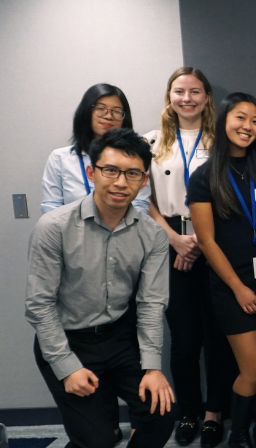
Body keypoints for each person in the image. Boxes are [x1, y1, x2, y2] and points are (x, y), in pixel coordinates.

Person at [26, 128, 175, 448]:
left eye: (133, 173)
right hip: (67, 339)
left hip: (119, 338)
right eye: (111, 170)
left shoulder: (153, 235)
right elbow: (39, 305)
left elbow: (151, 303)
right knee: (96, 440)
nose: (121, 182)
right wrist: (66, 368)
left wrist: (151, 367)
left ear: (144, 180)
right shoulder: (54, 227)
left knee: (161, 412)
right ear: (92, 172)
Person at [143, 67, 237, 447]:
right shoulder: (150, 142)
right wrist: (175, 240)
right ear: (169, 96)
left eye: (195, 92)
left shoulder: (221, 142)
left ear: (207, 97)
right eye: (179, 91)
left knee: (218, 335)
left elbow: (227, 193)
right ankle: (188, 411)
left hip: (213, 240)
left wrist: (198, 240)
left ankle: (214, 412)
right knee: (183, 340)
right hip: (168, 244)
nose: (187, 98)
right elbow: (143, 200)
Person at [188, 93, 256, 448]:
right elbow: (207, 241)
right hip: (232, 289)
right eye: (240, 118)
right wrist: (239, 289)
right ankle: (239, 437)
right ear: (224, 120)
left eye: (254, 121)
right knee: (254, 368)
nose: (247, 126)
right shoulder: (203, 178)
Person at [42, 83, 151, 214]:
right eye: (100, 108)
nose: (109, 116)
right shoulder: (60, 158)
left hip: (123, 231)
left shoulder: (136, 158)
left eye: (117, 111)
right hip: (73, 231)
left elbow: (140, 203)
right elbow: (51, 207)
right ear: (87, 111)